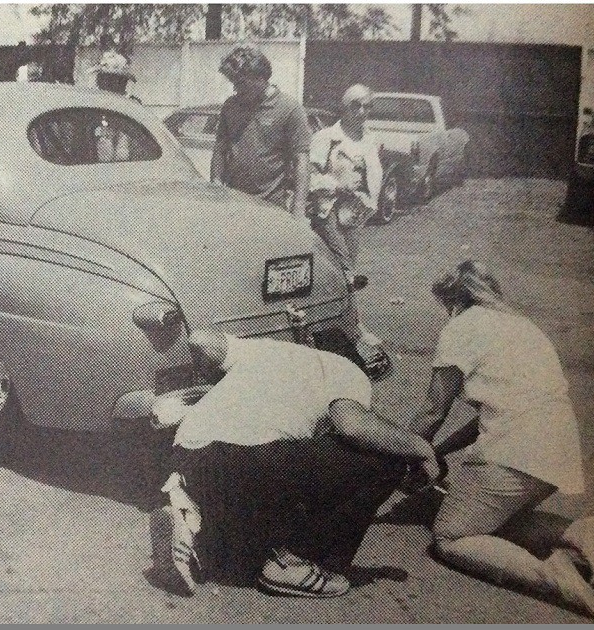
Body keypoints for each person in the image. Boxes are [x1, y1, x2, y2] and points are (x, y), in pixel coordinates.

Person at [150, 329, 441, 597]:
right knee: (386, 459)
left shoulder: (268, 349)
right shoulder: (347, 370)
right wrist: (420, 449)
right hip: (246, 459)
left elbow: (200, 340)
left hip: (186, 454)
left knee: (277, 461)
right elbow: (351, 425)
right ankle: (295, 563)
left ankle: (190, 521)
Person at [411, 260, 594, 619]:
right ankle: (574, 531)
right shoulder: (520, 325)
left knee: (452, 535)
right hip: (558, 449)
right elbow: (493, 410)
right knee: (492, 519)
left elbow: (433, 410)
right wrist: (438, 451)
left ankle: (551, 575)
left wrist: (405, 452)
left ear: (452, 302)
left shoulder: (460, 327)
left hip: (516, 452)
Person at [309, 84, 391, 379]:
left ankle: (338, 324)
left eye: (367, 106)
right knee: (345, 272)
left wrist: (368, 203)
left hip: (354, 215)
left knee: (346, 271)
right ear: (342, 107)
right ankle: (355, 330)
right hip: (327, 212)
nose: (362, 112)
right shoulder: (326, 138)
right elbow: (310, 176)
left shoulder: (371, 140)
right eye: (356, 105)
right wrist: (338, 186)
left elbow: (373, 176)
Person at [210, 46, 311, 219]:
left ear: (261, 78)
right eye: (233, 82)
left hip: (272, 205)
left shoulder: (290, 109)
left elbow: (301, 160)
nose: (235, 89)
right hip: (233, 203)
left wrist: (298, 210)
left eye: (241, 83)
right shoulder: (231, 106)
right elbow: (220, 150)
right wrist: (216, 186)